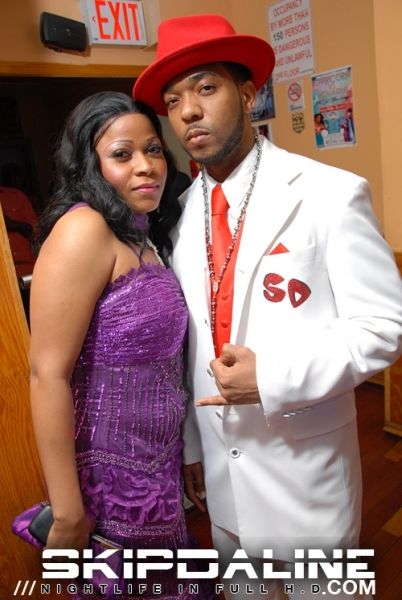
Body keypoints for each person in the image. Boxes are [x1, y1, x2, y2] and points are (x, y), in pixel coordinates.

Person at [133, 14, 402, 599]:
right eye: (173, 100)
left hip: (306, 474)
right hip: (223, 477)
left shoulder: (330, 193)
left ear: (249, 93)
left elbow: (382, 328)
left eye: (206, 88)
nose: (188, 112)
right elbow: (188, 345)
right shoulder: (178, 217)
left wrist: (273, 377)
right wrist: (193, 447)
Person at [29, 91, 215, 599]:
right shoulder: (83, 229)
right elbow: (47, 374)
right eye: (121, 154)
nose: (145, 166)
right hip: (109, 479)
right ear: (89, 166)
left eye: (153, 149)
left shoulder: (142, 233)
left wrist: (185, 452)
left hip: (157, 466)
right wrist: (68, 513)